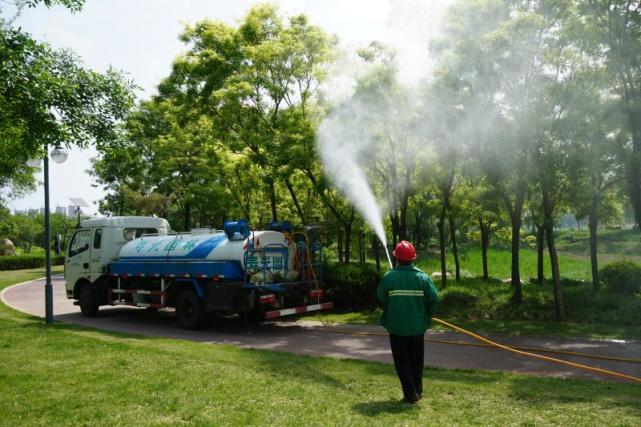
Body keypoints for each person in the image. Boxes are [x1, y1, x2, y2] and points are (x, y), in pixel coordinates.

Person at [377, 240, 440, 404]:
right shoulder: (422, 277)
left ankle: (411, 393)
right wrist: (428, 315)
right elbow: (435, 299)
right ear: (413, 258)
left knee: (402, 362)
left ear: (396, 258)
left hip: (396, 328)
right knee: (417, 361)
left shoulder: (389, 277)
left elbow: (381, 298)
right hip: (418, 327)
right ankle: (417, 391)